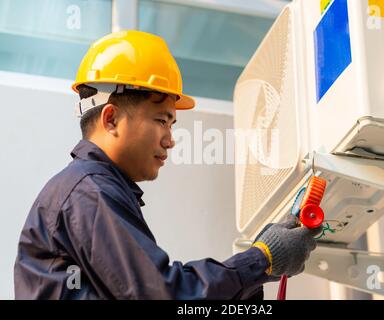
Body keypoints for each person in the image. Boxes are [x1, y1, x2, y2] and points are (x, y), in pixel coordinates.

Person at [14, 30, 321, 299]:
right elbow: (163, 295)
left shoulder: (93, 191)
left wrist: (261, 264)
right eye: (162, 120)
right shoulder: (88, 193)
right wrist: (262, 259)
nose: (170, 140)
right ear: (111, 119)